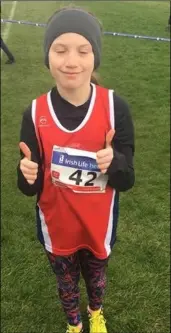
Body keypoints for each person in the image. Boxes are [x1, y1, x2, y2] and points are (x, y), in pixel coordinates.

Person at [17, 6, 135, 333]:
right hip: (57, 225)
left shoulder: (115, 108)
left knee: (96, 279)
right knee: (66, 281)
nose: (71, 61)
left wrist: (115, 162)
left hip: (97, 223)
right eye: (60, 50)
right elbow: (29, 185)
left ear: (94, 56)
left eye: (83, 51)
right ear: (48, 56)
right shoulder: (35, 111)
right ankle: (74, 323)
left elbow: (127, 180)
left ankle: (96, 311)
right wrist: (26, 174)